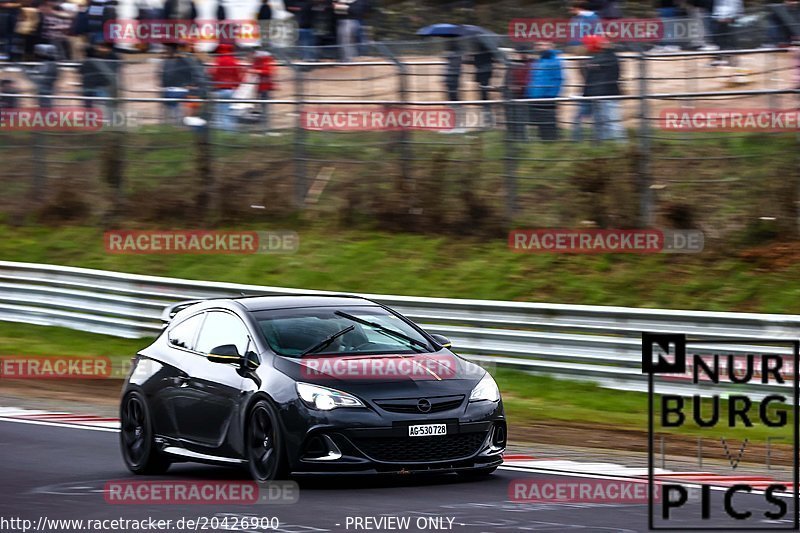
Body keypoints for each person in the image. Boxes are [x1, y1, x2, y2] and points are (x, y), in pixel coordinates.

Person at [581, 34, 625, 141]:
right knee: (601, 124)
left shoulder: (609, 56)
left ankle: (619, 147)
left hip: (606, 94)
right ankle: (605, 147)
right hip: (598, 94)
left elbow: (593, 70)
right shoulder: (598, 56)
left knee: (611, 123)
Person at [526, 40, 564, 141]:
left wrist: (551, 95)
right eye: (538, 44)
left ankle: (551, 142)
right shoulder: (539, 61)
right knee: (539, 123)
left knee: (548, 124)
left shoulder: (554, 61)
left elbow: (558, 79)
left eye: (543, 44)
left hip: (546, 97)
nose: (540, 46)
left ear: (551, 46)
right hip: (535, 96)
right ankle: (544, 142)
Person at [209, 42, 242, 131]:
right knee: (228, 113)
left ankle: (225, 135)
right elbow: (238, 76)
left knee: (221, 115)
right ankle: (231, 134)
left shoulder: (218, 61)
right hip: (231, 90)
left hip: (220, 90)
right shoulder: (234, 60)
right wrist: (236, 87)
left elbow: (213, 74)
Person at [80, 41, 118, 111]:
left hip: (91, 86)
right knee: (104, 102)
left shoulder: (87, 62)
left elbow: (81, 71)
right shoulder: (100, 60)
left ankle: (91, 117)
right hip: (100, 85)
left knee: (90, 104)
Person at [505, 47, 532, 141]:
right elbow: (507, 80)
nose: (515, 55)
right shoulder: (512, 65)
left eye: (516, 53)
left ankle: (522, 140)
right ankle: (514, 139)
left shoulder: (527, 65)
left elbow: (527, 80)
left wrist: (519, 87)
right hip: (510, 96)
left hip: (521, 96)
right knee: (511, 119)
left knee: (520, 120)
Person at [711, 0, 743, 66]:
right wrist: (717, 17)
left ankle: (731, 60)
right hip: (720, 18)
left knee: (730, 40)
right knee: (720, 40)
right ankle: (721, 58)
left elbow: (736, 5)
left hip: (729, 18)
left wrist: (731, 17)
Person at [28, 43, 59, 108]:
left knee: (45, 105)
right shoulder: (44, 63)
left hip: (45, 89)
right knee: (43, 104)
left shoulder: (49, 64)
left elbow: (44, 76)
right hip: (43, 89)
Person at [250, 49, 275, 130]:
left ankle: (265, 125)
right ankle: (259, 122)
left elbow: (268, 72)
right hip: (260, 87)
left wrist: (256, 71)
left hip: (265, 87)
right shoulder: (259, 61)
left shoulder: (266, 61)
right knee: (258, 105)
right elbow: (253, 67)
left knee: (264, 106)